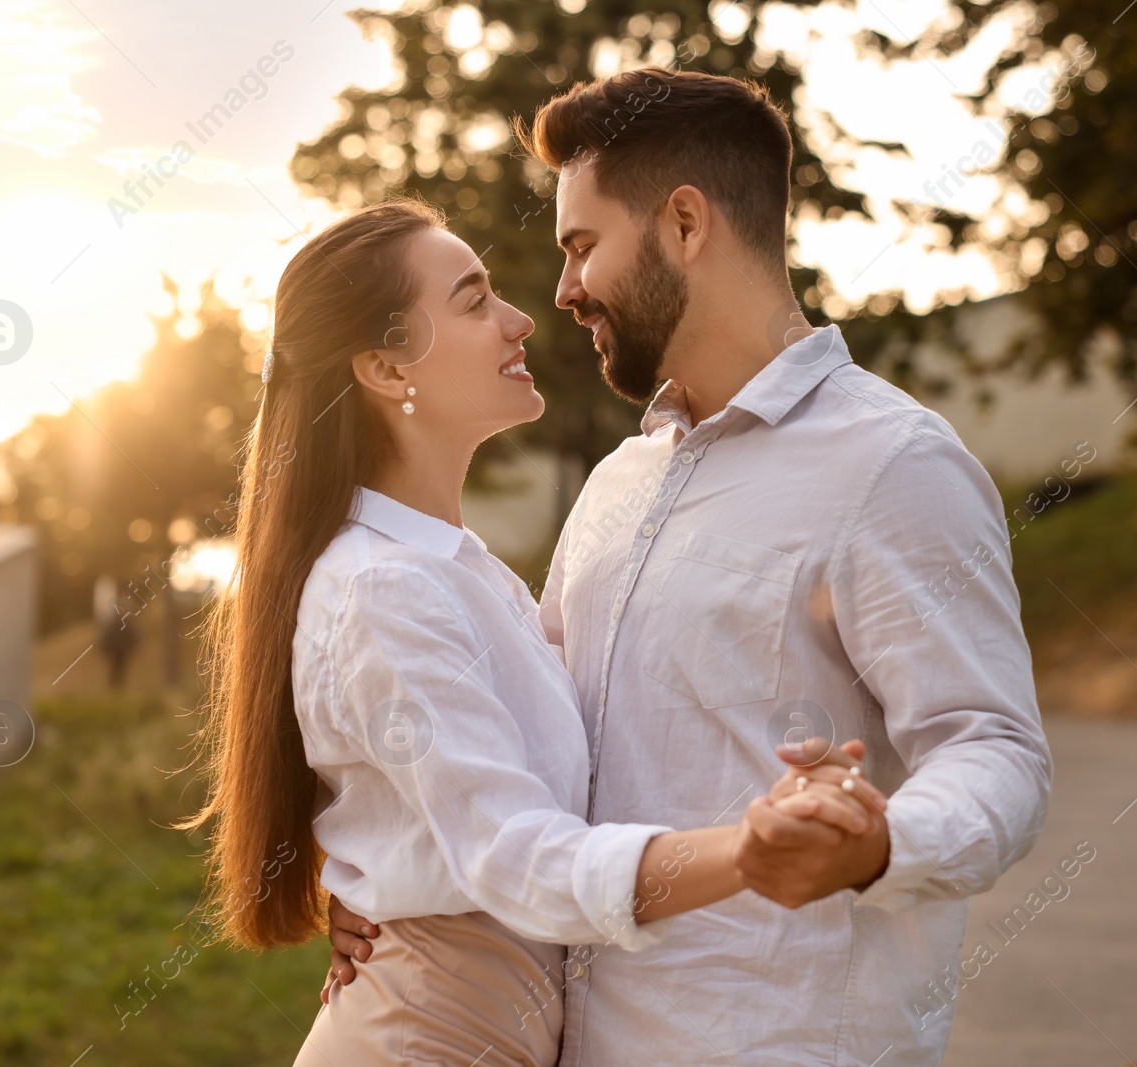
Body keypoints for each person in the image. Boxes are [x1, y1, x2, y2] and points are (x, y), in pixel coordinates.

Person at [326, 68, 1053, 1066]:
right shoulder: (616, 485)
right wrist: (389, 866)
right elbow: (510, 727)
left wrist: (879, 841)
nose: (562, 290)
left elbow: (998, 752)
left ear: (681, 225)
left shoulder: (892, 464)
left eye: (581, 246)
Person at [178, 199, 886, 1067]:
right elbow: (516, 856)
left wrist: (386, 872)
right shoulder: (381, 586)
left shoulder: (461, 571)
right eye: (474, 302)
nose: (520, 319)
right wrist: (751, 846)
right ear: (385, 365)